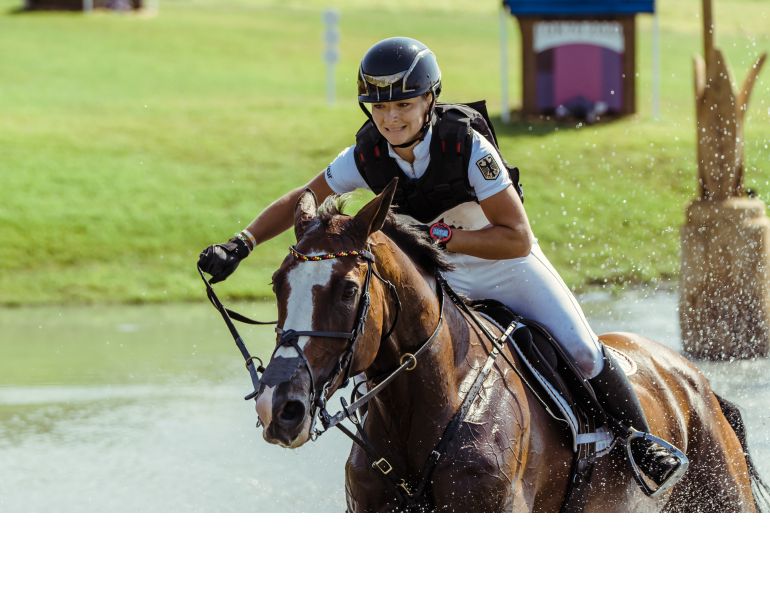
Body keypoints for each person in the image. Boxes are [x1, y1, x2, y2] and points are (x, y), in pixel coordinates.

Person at [198, 37, 679, 488]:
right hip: (436, 278)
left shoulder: (467, 147)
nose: (391, 118)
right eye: (380, 107)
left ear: (429, 100)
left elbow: (516, 238)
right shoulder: (366, 154)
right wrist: (242, 243)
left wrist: (449, 236)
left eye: (403, 104)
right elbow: (304, 197)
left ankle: (642, 443)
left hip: (504, 267)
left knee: (582, 351)